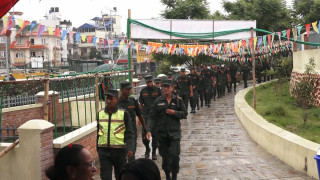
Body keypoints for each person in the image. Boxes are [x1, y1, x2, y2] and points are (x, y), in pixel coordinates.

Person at [146, 79, 187, 180]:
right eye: (163, 87)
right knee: (165, 156)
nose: (165, 88)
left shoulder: (178, 100)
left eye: (168, 86)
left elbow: (185, 114)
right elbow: (152, 116)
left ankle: (174, 176)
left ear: (172, 88)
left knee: (175, 155)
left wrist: (175, 113)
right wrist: (148, 130)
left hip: (175, 133)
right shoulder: (158, 101)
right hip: (162, 134)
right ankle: (168, 175)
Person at [97, 89, 135, 180]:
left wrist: (130, 148)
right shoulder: (100, 114)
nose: (108, 101)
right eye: (107, 98)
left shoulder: (123, 114)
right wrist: (98, 149)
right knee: (105, 177)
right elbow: (98, 132)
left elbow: (129, 133)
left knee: (120, 176)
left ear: (117, 99)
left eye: (111, 98)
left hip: (119, 151)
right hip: (104, 151)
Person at [118, 81, 147, 161]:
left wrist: (145, 128)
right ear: (122, 90)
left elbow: (140, 115)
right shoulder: (117, 103)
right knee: (122, 158)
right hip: (120, 134)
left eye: (130, 89)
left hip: (132, 133)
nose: (129, 91)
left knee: (131, 155)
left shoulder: (133, 101)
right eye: (127, 89)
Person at [139, 75, 162, 160]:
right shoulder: (143, 91)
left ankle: (153, 152)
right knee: (144, 135)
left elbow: (161, 102)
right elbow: (141, 104)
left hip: (155, 115)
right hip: (146, 116)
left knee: (155, 135)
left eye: (150, 81)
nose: (149, 83)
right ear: (146, 82)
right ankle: (147, 149)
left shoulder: (158, 90)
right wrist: (139, 116)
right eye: (147, 82)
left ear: (152, 81)